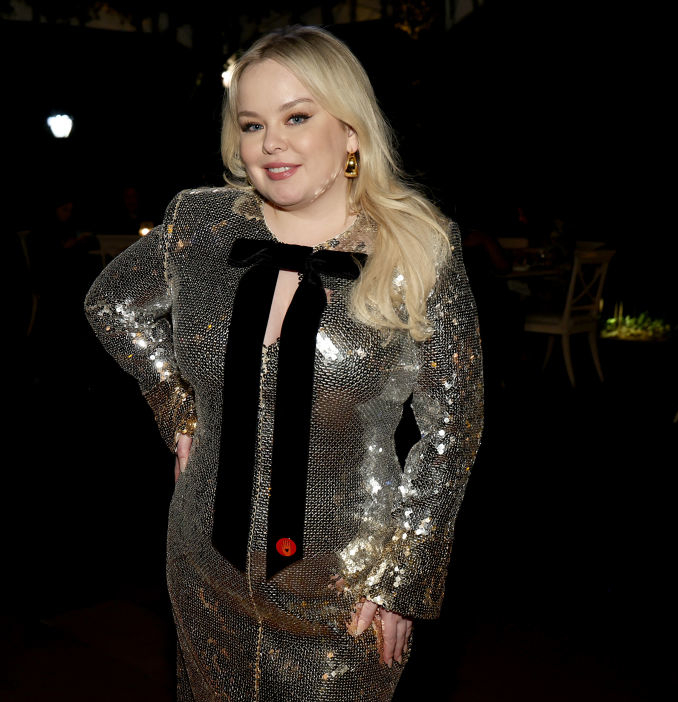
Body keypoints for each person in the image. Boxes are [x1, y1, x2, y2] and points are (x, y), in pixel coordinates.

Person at [84, 26, 484, 701]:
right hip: (203, 565)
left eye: (296, 117)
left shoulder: (417, 247)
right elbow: (111, 304)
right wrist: (176, 409)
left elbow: (453, 427)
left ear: (350, 131)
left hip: (346, 585)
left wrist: (401, 577)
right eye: (253, 124)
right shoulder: (200, 226)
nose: (271, 142)